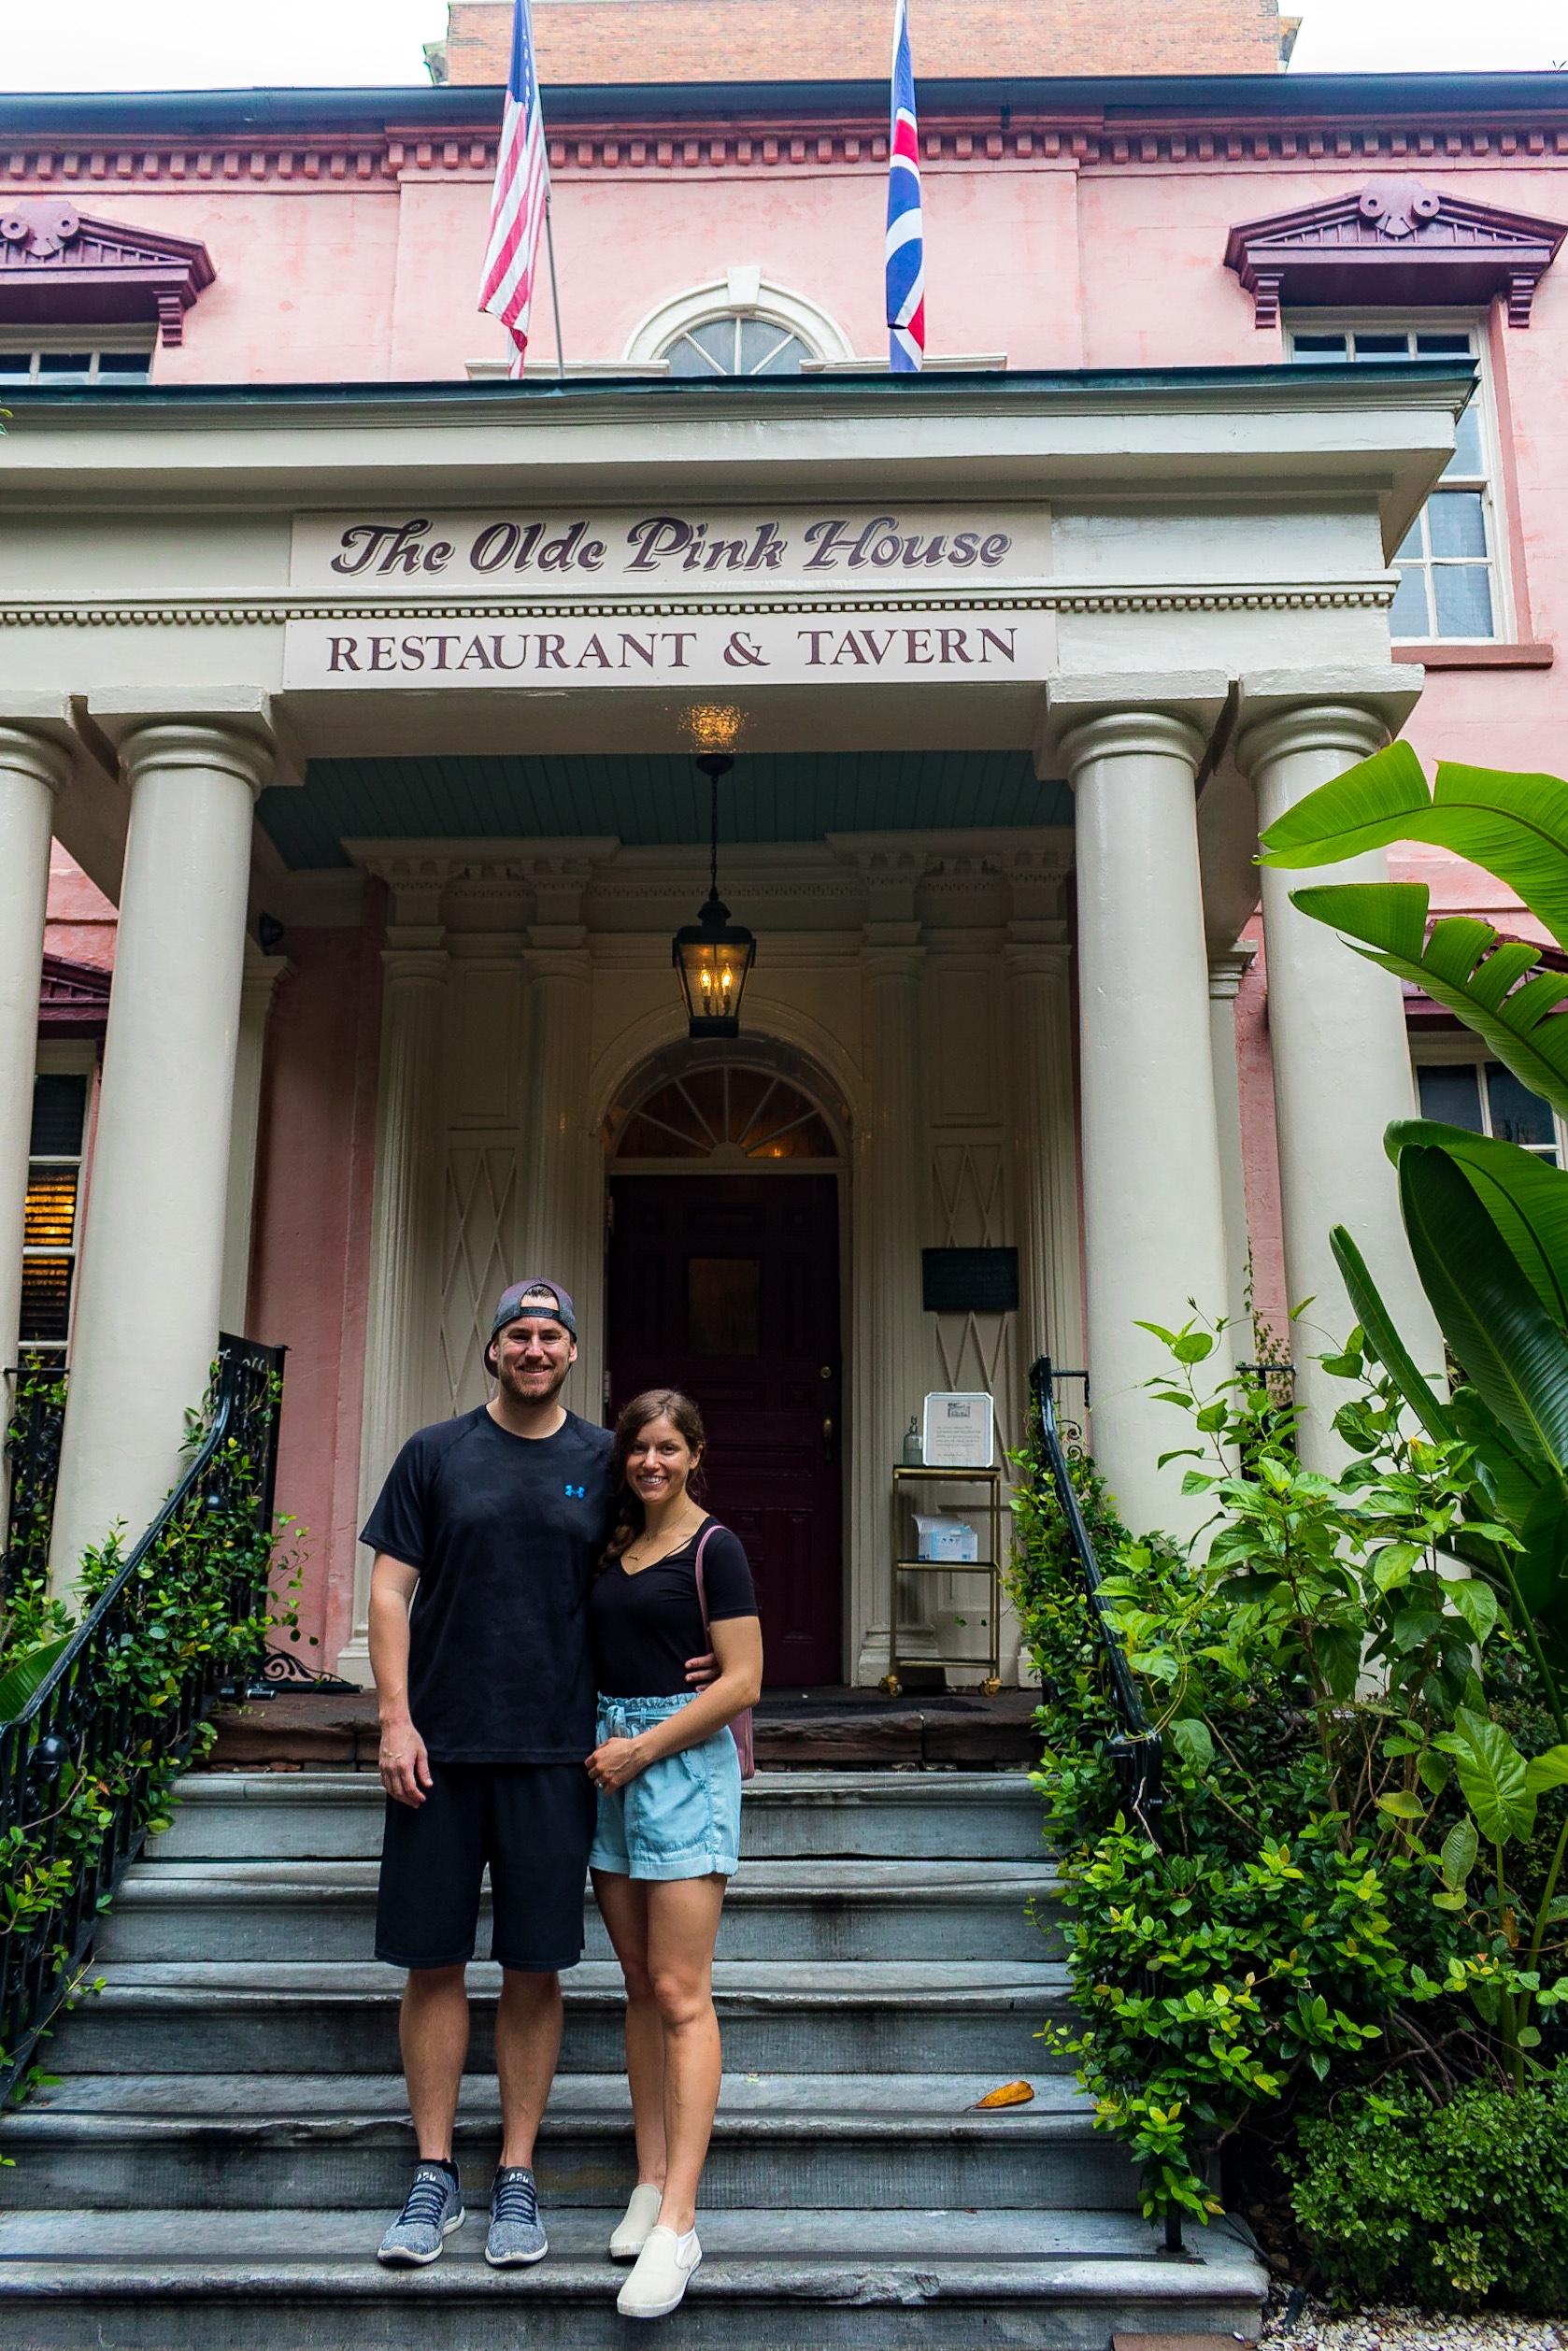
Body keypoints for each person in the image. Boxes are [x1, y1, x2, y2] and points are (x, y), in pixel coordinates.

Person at [363, 1280, 714, 2273]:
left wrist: (698, 1645)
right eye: (516, 1332)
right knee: (432, 1959)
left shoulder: (605, 1458)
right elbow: (389, 1588)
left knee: (534, 1964)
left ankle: (517, 2168)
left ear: (570, 1351)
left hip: (557, 1751)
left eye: (549, 1333)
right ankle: (433, 2169)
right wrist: (394, 1716)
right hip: (438, 1746)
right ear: (493, 1349)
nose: (532, 1346)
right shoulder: (434, 1452)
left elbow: (665, 1546)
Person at [586, 1388, 763, 2321]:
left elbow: (743, 1677)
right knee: (638, 1984)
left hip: (677, 1767)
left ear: (695, 1452)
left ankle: (680, 2220)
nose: (651, 1460)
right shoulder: (613, 1543)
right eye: (637, 1448)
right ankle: (648, 2178)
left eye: (667, 1447)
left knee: (682, 1990)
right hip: (609, 1760)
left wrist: (643, 1747)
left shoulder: (713, 1547)